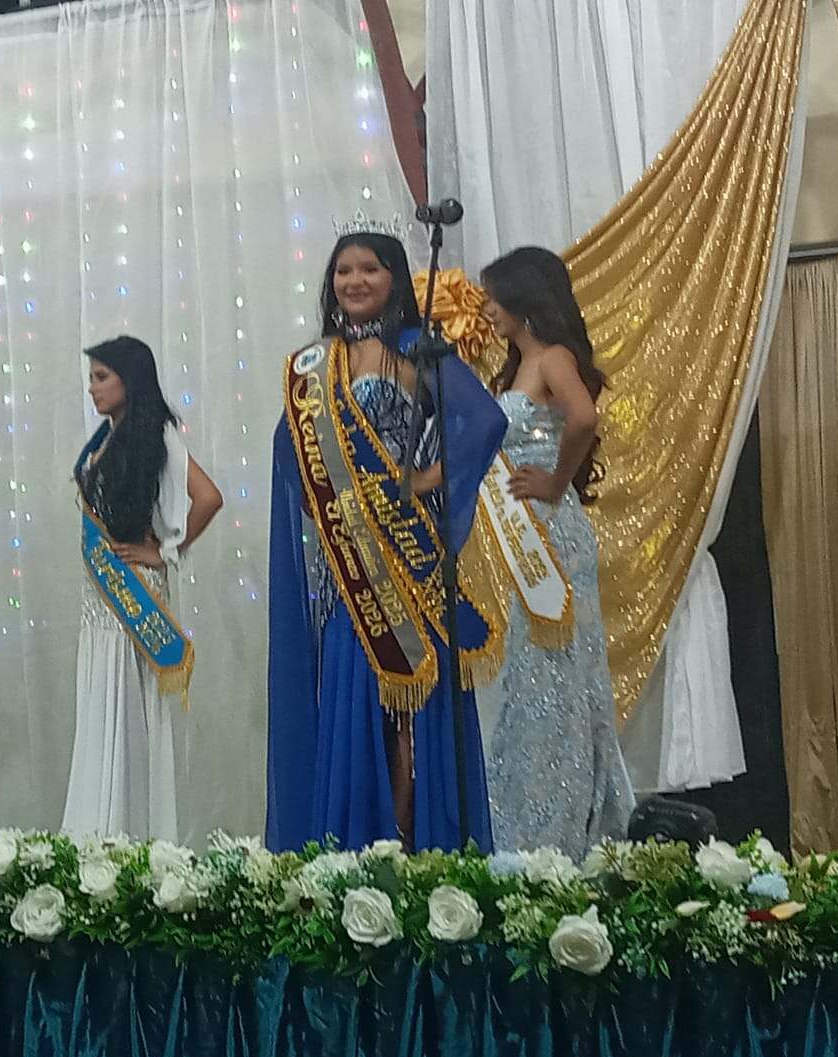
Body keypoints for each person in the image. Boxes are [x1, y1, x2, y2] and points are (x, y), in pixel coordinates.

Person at [267, 225, 508, 853]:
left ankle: (409, 846)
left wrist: (425, 478)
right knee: (353, 704)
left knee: (407, 714)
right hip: (345, 566)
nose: (355, 281)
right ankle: (354, 848)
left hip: (403, 556)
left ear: (395, 278)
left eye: (369, 269)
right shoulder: (316, 364)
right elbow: (291, 451)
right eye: (343, 270)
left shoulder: (415, 349)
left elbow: (484, 421)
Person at [475, 246, 634, 857]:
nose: (488, 310)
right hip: (522, 535)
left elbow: (583, 417)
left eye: (494, 298)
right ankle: (527, 813)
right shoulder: (519, 365)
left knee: (559, 673)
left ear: (522, 299)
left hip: (551, 535)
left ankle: (560, 825)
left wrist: (556, 481)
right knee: (532, 675)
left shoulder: (554, 357)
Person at [61, 336, 223, 841]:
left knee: (129, 703)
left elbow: (208, 497)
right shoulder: (106, 437)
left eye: (101, 377)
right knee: (101, 701)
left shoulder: (158, 436)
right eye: (91, 378)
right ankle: (98, 826)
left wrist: (168, 550)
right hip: (100, 598)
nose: (92, 388)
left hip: (134, 589)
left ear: (129, 380)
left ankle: (131, 830)